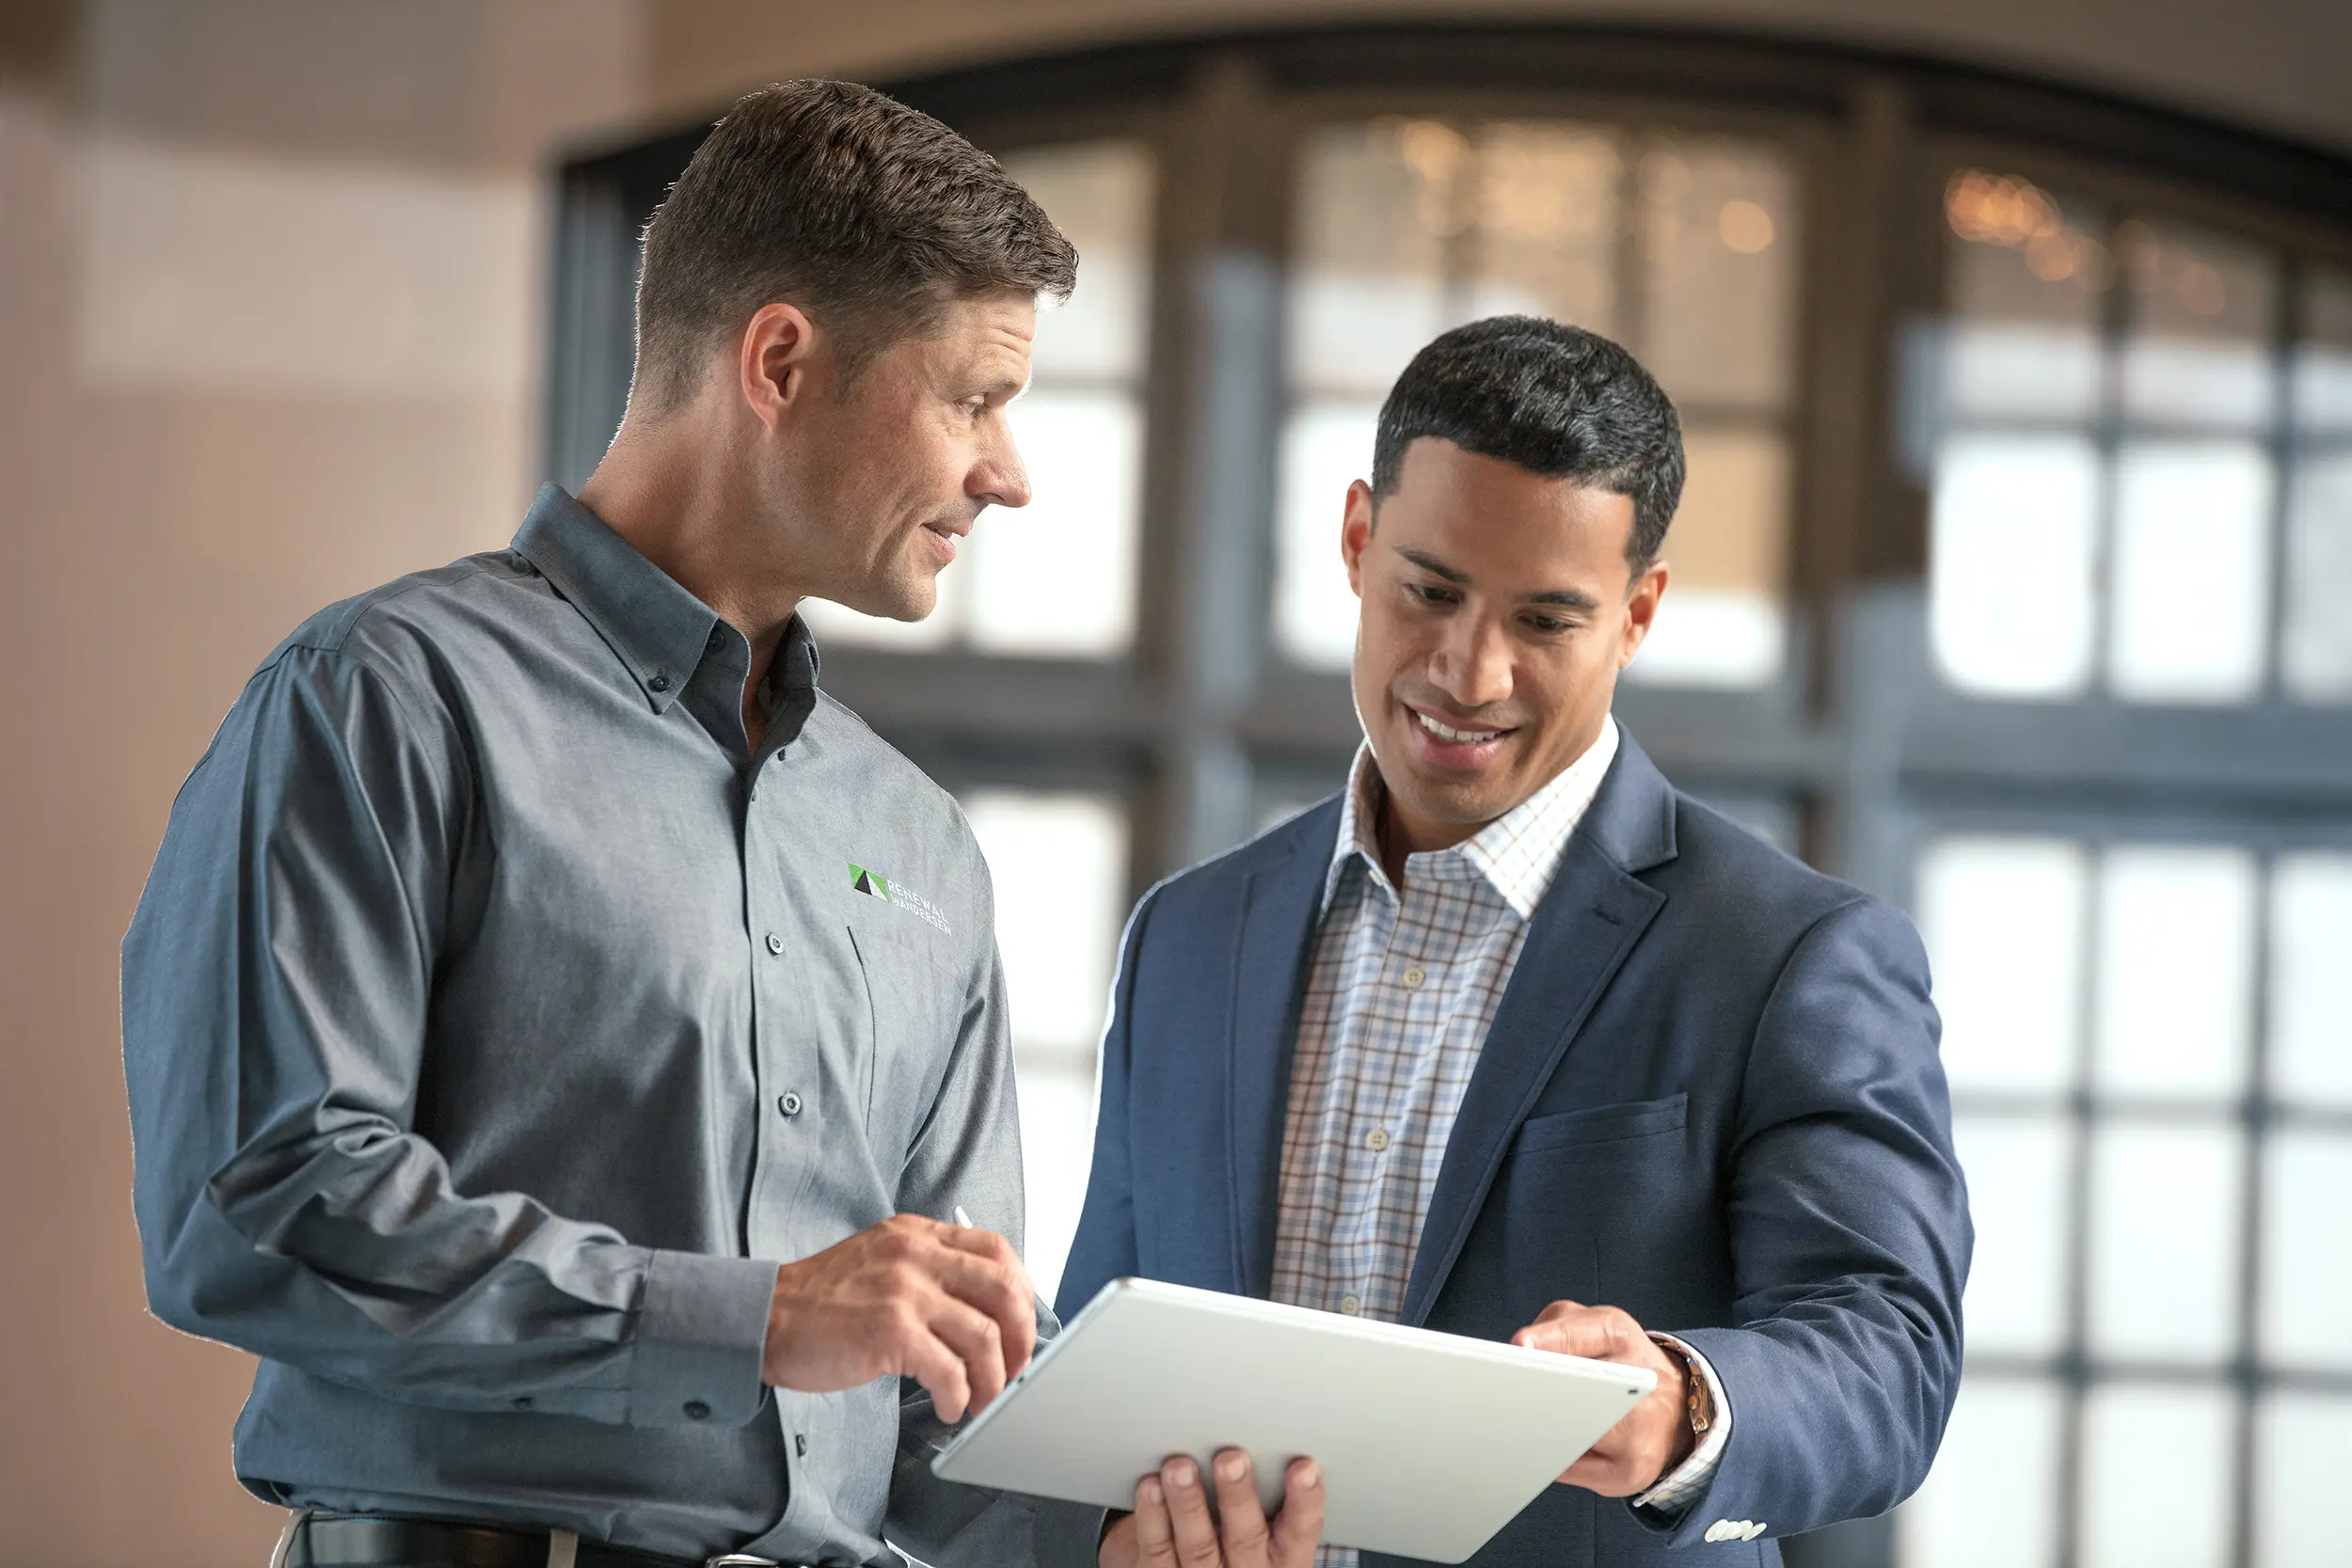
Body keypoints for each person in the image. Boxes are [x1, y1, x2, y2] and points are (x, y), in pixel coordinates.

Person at [121, 80, 1319, 1568]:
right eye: (977, 399)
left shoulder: (921, 842)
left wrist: (1119, 1542)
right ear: (780, 359)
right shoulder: (386, 699)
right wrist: (752, 1320)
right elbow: (255, 1202)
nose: (1009, 475)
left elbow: (935, 1410)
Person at [1057, 316, 1972, 1567]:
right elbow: (1106, 1373)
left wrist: (1679, 1400)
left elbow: (1889, 1354)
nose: (1468, 671)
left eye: (1545, 620)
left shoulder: (1793, 955)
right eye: (1430, 590)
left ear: (1638, 612)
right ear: (1356, 539)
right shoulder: (1189, 935)